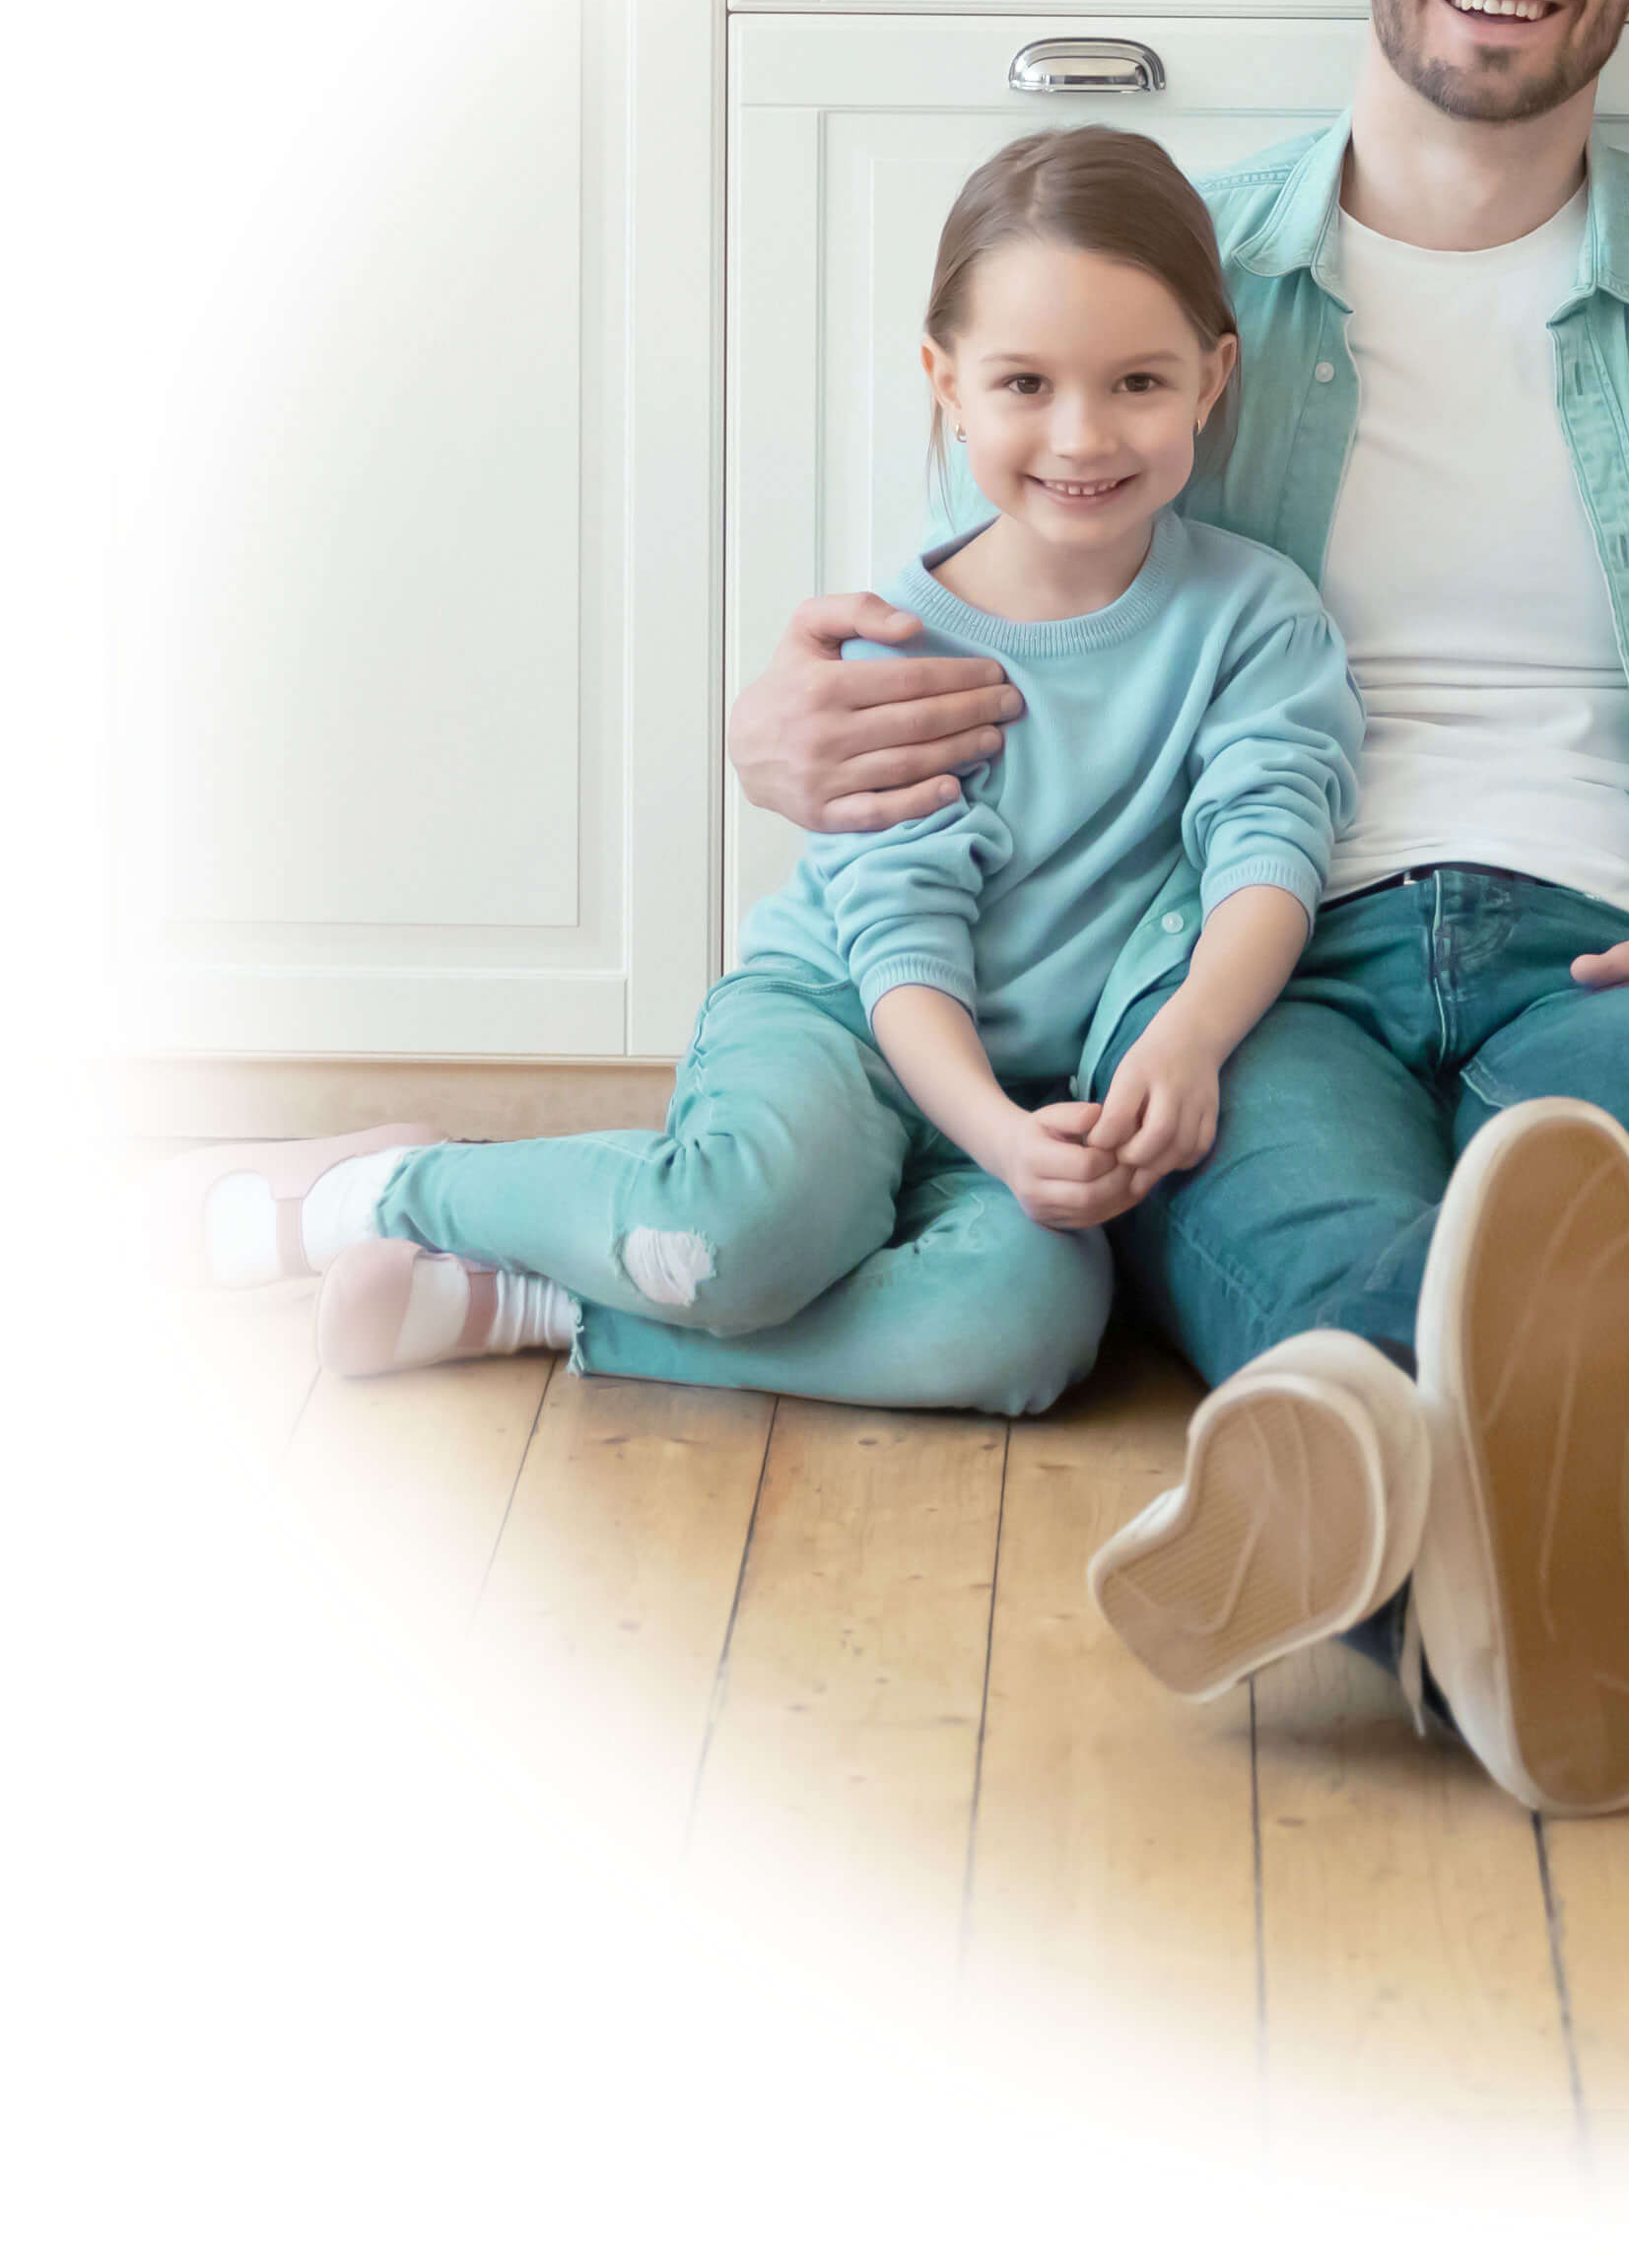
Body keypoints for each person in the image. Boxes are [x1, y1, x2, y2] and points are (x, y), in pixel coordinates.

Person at [722, 0, 1629, 1817]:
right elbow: (965, 647)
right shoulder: (1160, 285)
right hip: (1250, 959)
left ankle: (1368, 1534)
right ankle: (1495, 1573)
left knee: (1595, 1170)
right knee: (1287, 1212)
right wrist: (789, 732)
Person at [166, 128, 1357, 1423]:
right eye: (1025, 383)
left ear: (1212, 379)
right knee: (748, 1226)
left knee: (1028, 1325)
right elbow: (900, 945)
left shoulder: (1258, 622)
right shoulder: (895, 651)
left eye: (1137, 381)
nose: (1082, 434)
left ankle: (549, 1303)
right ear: (945, 383)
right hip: (843, 1020)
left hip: (1036, 1090)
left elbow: (1269, 844)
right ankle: (392, 1192)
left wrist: (1182, 1042)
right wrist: (995, 1134)